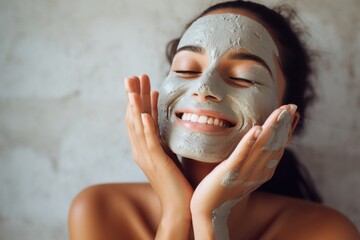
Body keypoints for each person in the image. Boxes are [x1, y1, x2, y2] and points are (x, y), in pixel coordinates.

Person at [68, 1, 360, 239]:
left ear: (286, 125)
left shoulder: (326, 232)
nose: (204, 89)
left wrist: (210, 218)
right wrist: (175, 212)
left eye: (243, 77)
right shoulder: (99, 210)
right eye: (186, 70)